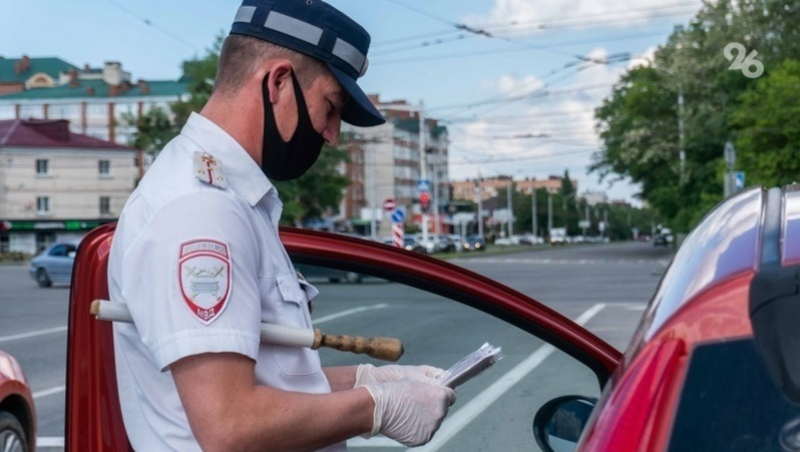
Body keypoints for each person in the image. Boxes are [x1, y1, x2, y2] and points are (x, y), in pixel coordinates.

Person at [107, 1, 456, 450]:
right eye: (330, 107)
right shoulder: (200, 209)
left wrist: (369, 379)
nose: (331, 134)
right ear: (277, 83)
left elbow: (269, 387)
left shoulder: (232, 200)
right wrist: (374, 406)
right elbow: (230, 425)